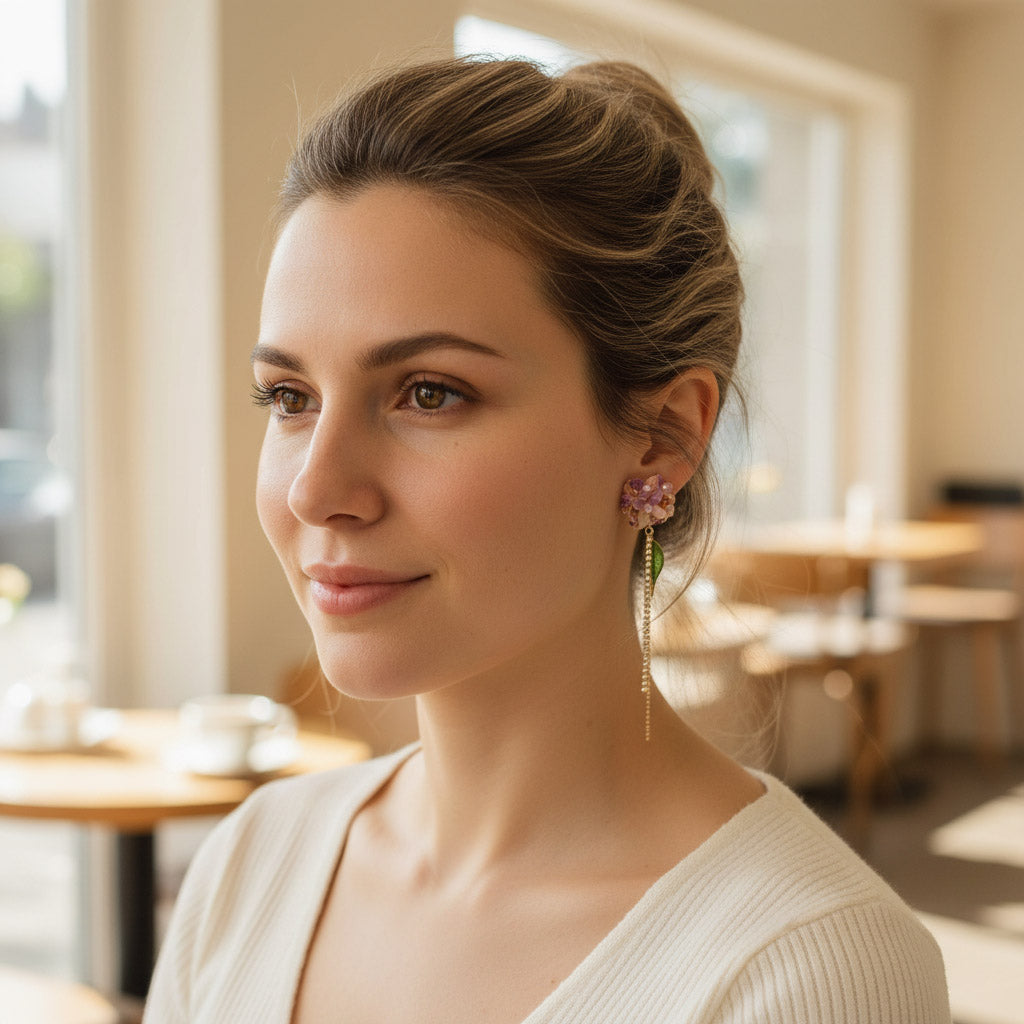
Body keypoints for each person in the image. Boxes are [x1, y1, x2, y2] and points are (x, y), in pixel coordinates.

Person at [144, 56, 950, 1023]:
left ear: (663, 436)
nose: (317, 487)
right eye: (290, 398)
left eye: (429, 393)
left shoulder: (807, 971)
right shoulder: (251, 864)